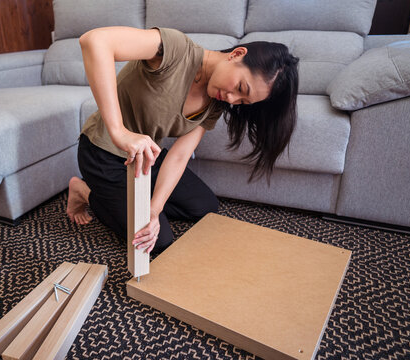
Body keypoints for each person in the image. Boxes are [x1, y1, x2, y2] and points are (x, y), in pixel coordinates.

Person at [66, 26, 299, 255]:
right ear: (237, 55)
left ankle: (133, 200)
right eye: (240, 87)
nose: (231, 98)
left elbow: (179, 155)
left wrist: (154, 210)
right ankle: (84, 191)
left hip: (145, 157)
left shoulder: (215, 102)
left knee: (204, 206)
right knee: (158, 242)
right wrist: (118, 131)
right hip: (103, 153)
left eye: (242, 101)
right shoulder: (176, 50)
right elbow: (94, 40)